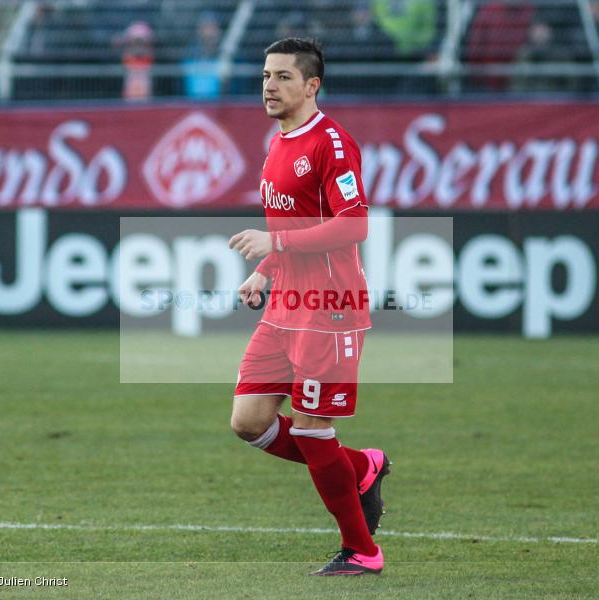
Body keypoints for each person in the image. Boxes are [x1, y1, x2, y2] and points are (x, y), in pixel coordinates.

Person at [227, 38, 389, 576]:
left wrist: (275, 247)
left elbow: (355, 222)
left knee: (314, 429)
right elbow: (289, 228)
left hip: (330, 308)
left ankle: (362, 551)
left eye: (283, 77)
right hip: (285, 308)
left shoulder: (333, 144)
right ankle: (361, 465)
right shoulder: (277, 144)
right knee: (249, 421)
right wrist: (264, 271)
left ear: (311, 85)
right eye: (266, 76)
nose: (270, 86)